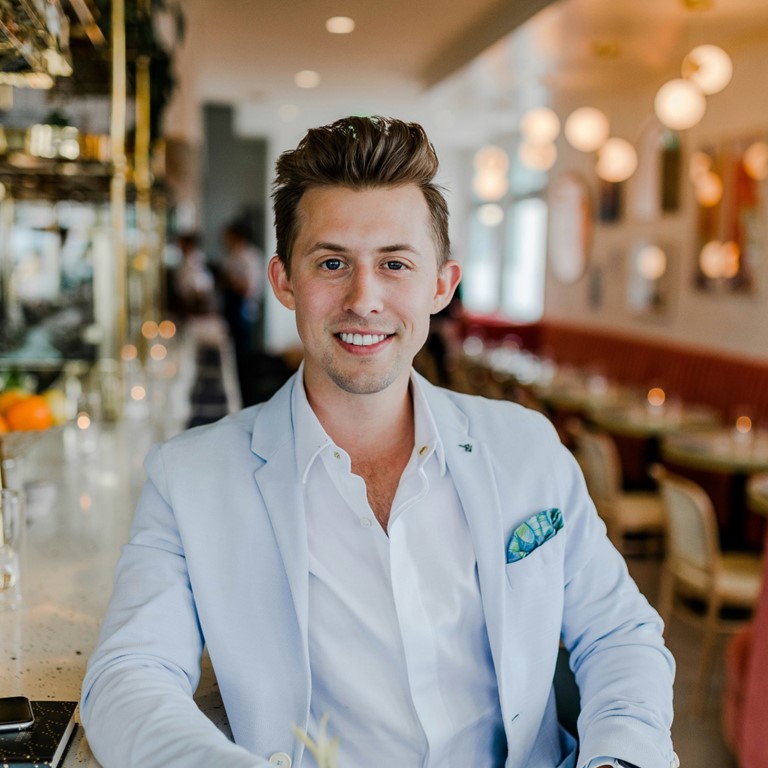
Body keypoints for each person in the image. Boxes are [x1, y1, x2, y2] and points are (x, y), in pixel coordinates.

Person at [81, 116, 677, 768]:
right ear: (284, 283)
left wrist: (620, 759)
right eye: (332, 263)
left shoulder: (526, 446)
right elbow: (126, 678)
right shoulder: (190, 476)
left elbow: (620, 632)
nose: (365, 299)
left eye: (395, 263)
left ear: (441, 285)